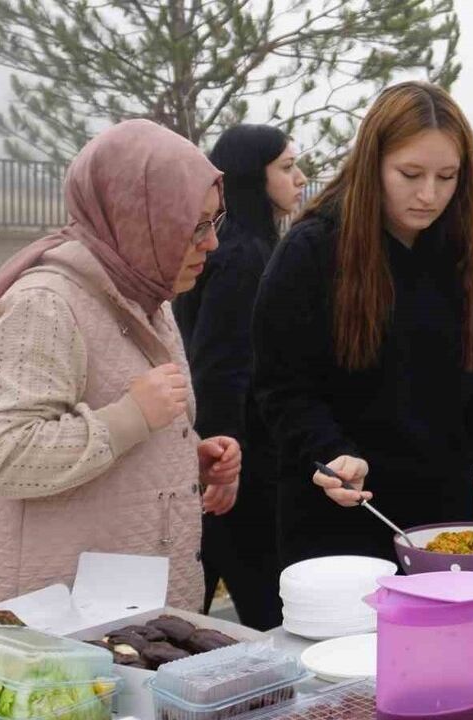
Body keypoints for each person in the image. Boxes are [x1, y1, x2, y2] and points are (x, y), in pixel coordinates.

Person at [0, 120, 242, 611]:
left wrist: (187, 458)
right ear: (135, 217)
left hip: (117, 611)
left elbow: (133, 425)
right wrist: (132, 417)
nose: (212, 243)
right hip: (49, 624)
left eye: (214, 221)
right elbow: (1, 456)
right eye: (193, 226)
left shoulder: (147, 299)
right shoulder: (44, 305)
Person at [250, 81, 473, 567]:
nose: (429, 195)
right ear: (373, 165)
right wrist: (329, 452)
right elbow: (281, 386)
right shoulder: (312, 253)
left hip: (453, 522)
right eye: (410, 174)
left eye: (447, 177)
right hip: (340, 522)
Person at [173, 124, 306, 629]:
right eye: (287, 168)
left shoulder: (243, 247)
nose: (300, 179)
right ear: (254, 176)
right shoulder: (240, 256)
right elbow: (219, 364)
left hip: (237, 458)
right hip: (239, 466)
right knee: (266, 616)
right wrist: (228, 455)